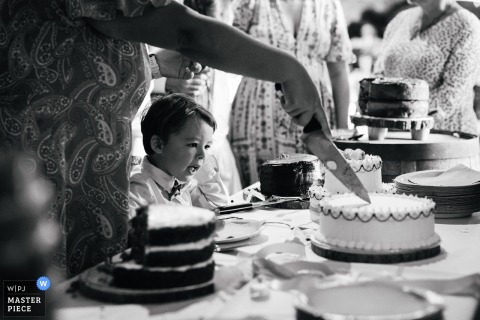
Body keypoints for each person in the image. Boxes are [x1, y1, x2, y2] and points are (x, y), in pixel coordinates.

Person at [0, 0, 327, 277]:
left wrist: (152, 65)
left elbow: (79, 55)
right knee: (30, 300)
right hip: (35, 181)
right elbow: (187, 32)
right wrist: (289, 70)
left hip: (82, 193)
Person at [230, 0, 355, 187]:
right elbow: (226, 49)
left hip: (316, 122)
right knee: (261, 195)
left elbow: (338, 71)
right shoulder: (249, 2)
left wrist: (342, 133)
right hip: (258, 121)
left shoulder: (328, 5)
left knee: (316, 193)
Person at [143, 0, 243, 195]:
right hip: (179, 154)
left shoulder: (229, 47)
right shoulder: (164, 29)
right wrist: (166, 83)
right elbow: (137, 71)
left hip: (219, 146)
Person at [374, 0, 480, 135]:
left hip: (443, 138)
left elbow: (450, 96)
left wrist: (397, 117)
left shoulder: (467, 25)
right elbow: (378, 74)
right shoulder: (401, 19)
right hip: (391, 134)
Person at [129, 94, 229, 216]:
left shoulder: (181, 181)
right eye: (192, 144)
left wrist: (201, 162)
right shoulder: (138, 191)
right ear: (158, 145)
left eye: (207, 146)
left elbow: (220, 208)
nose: (203, 154)